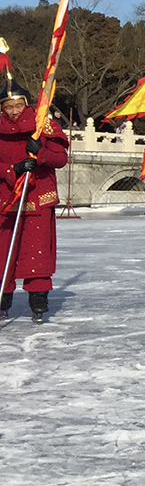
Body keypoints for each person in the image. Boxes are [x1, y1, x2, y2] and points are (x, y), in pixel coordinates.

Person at [0, 81, 69, 323]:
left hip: (38, 197)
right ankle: (3, 299)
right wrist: (12, 168)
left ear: (27, 104)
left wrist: (41, 153)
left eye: (18, 105)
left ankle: (38, 301)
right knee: (3, 253)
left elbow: (61, 159)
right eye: (8, 107)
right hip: (6, 199)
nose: (14, 111)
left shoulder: (43, 125)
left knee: (36, 255)